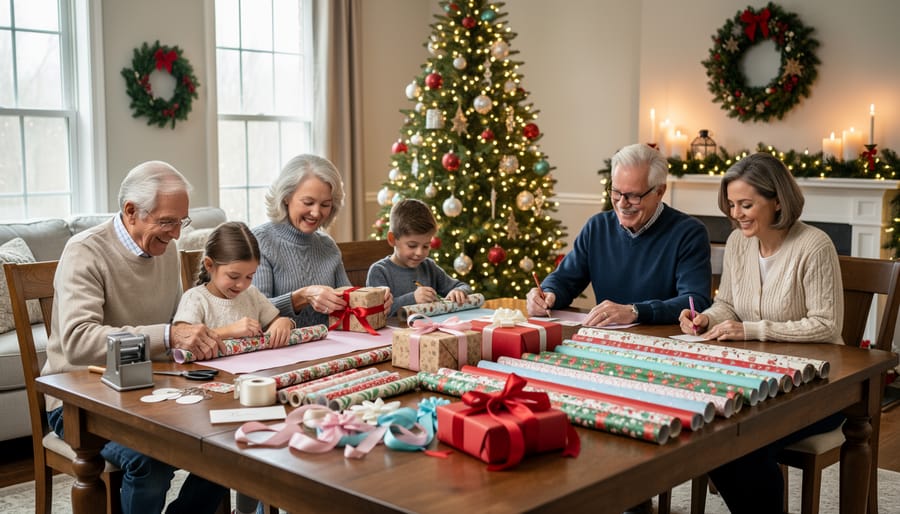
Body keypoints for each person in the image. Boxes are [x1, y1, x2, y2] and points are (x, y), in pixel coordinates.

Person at [42, 161, 228, 514]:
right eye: (168, 221)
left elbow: (177, 322)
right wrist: (168, 335)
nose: (176, 233)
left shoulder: (167, 250)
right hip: (78, 402)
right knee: (150, 461)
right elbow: (79, 342)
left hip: (148, 392)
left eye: (181, 221)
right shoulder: (85, 251)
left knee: (228, 445)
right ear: (131, 211)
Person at [678, 152, 844, 513]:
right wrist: (706, 318)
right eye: (732, 205)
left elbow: (826, 325)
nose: (736, 214)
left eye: (746, 204)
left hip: (820, 385)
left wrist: (751, 329)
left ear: (777, 201)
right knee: (715, 433)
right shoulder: (739, 243)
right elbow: (731, 305)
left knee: (744, 445)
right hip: (758, 377)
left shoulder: (814, 245)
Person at [173, 221, 293, 514]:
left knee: (267, 435)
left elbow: (276, 317)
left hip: (250, 391)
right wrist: (229, 331)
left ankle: (250, 508)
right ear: (210, 265)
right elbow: (183, 343)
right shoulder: (196, 299)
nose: (242, 285)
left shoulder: (250, 296)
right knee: (233, 450)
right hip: (211, 398)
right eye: (234, 276)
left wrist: (282, 322)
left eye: (250, 276)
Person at [527, 142, 712, 327]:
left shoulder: (689, 233)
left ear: (659, 192)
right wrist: (547, 293)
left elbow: (694, 301)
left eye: (633, 196)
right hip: (605, 338)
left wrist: (636, 311)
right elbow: (564, 279)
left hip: (665, 342)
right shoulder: (597, 227)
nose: (622, 204)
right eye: (616, 192)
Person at [252, 154, 392, 327]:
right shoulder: (259, 242)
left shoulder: (327, 245)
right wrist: (301, 297)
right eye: (308, 202)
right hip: (281, 350)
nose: (317, 213)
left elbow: (348, 301)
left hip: (330, 347)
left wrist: (375, 298)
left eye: (325, 204)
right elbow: (254, 312)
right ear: (286, 197)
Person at [366, 198, 472, 317]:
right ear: (392, 239)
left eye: (426, 246)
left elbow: (463, 286)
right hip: (394, 334)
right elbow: (376, 312)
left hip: (431, 333)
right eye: (412, 245)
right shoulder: (379, 271)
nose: (419, 253)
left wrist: (458, 291)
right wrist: (413, 299)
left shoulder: (429, 267)